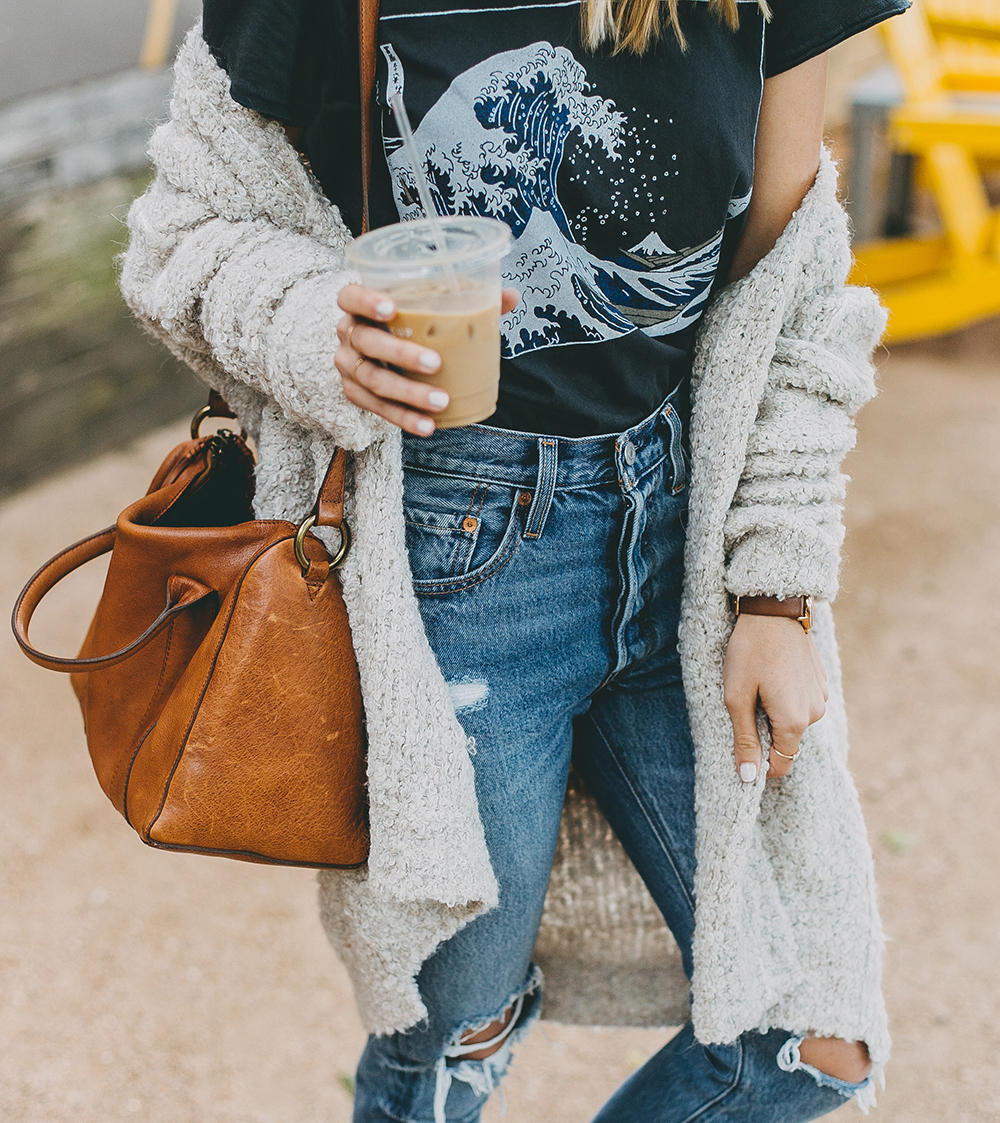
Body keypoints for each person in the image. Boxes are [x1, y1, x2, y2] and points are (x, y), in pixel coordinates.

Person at [121, 0, 910, 1119]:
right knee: (453, 1038)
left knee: (809, 1036)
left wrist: (776, 589)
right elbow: (183, 236)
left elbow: (790, 297)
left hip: (686, 544)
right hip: (447, 560)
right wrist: (315, 323)